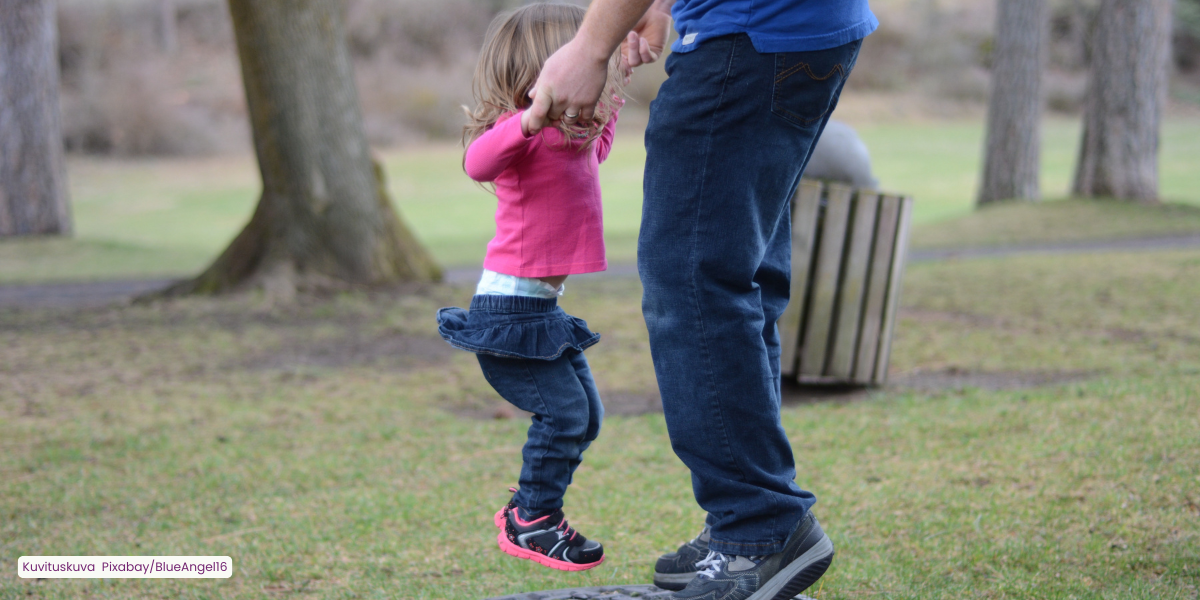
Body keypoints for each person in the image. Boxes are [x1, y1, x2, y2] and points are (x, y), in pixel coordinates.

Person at [523, 0, 877, 596]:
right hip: (799, 31)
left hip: (749, 36)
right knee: (737, 276)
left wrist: (589, 48)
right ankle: (749, 520)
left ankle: (758, 527)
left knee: (692, 281)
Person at [435, 3, 625, 573]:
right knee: (565, 417)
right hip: (508, 313)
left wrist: (616, 86)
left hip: (540, 311)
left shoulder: (569, 140)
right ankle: (534, 519)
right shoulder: (518, 135)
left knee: (587, 418)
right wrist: (530, 118)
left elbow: (598, 148)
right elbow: (476, 163)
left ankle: (531, 507)